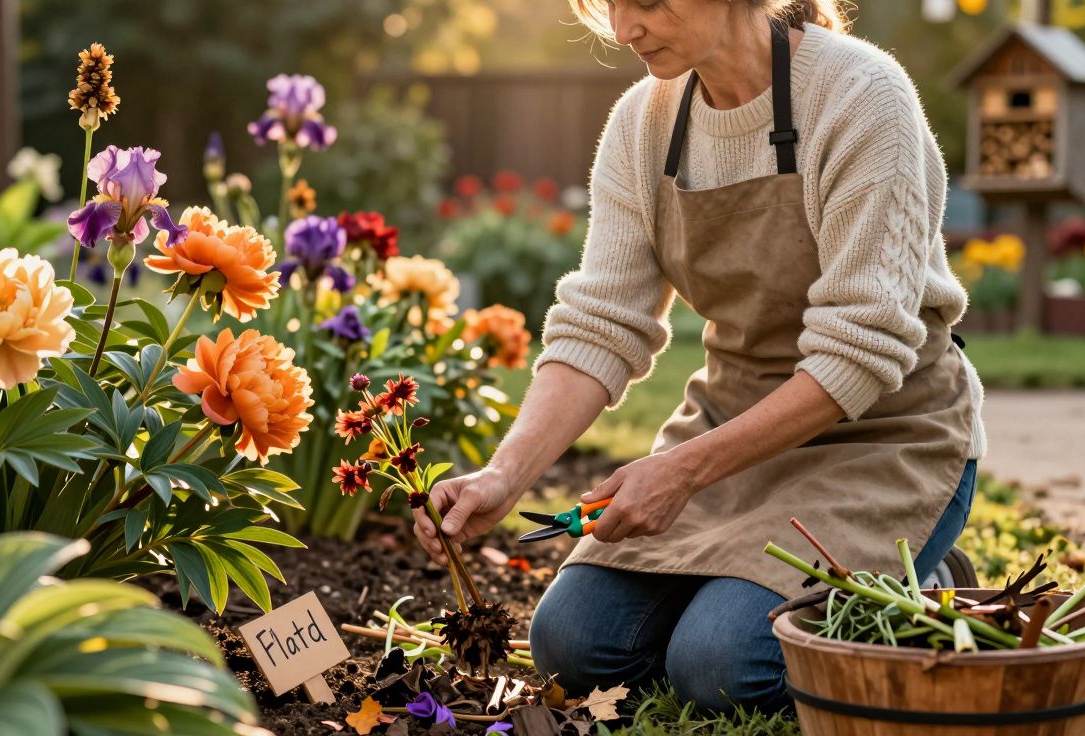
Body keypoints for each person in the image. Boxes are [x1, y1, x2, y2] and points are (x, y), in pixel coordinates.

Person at [413, 0, 987, 715]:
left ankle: (917, 587)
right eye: (613, 4)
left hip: (880, 437)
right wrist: (506, 474)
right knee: (574, 645)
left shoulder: (861, 96)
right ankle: (764, 600)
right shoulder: (644, 122)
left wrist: (680, 471)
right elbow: (602, 323)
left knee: (721, 669)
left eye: (648, 2)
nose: (624, 30)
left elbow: (861, 352)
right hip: (733, 426)